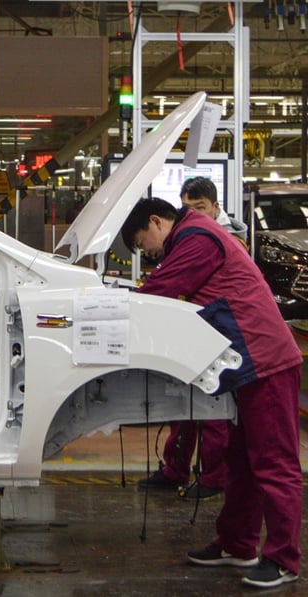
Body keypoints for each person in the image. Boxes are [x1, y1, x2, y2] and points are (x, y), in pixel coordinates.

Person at [122, 197, 302, 589]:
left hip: (265, 360)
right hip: (245, 365)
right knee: (240, 461)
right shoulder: (190, 237)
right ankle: (237, 544)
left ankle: (284, 559)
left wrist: (114, 309)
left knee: (274, 463)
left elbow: (161, 291)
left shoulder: (197, 237)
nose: (146, 252)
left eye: (141, 242)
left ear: (156, 221)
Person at [138, 177, 244, 500]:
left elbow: (167, 286)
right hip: (193, 333)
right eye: (188, 207)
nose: (195, 213)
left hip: (220, 340)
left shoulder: (213, 239)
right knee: (181, 408)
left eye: (200, 207)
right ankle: (176, 469)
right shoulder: (189, 236)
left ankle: (213, 477)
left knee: (212, 413)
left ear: (216, 207)